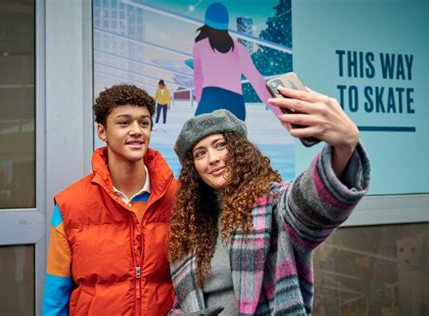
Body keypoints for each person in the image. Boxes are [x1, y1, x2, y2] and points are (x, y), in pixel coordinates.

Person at [168, 87, 370, 315]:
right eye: (200, 154)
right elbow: (181, 302)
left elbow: (311, 202)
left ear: (240, 150)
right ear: (193, 169)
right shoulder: (191, 227)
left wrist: (344, 147)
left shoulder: (274, 204)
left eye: (220, 145)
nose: (212, 159)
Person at [42, 84, 178, 315]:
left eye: (143, 123)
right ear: (102, 132)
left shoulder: (178, 197)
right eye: (124, 123)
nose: (137, 131)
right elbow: (56, 294)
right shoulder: (70, 204)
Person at [192, 2, 281, 121]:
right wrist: (280, 113)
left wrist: (200, 101)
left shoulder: (200, 47)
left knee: (202, 138)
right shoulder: (240, 49)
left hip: (210, 99)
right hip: (235, 103)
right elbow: (258, 82)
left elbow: (198, 79)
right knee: (234, 139)